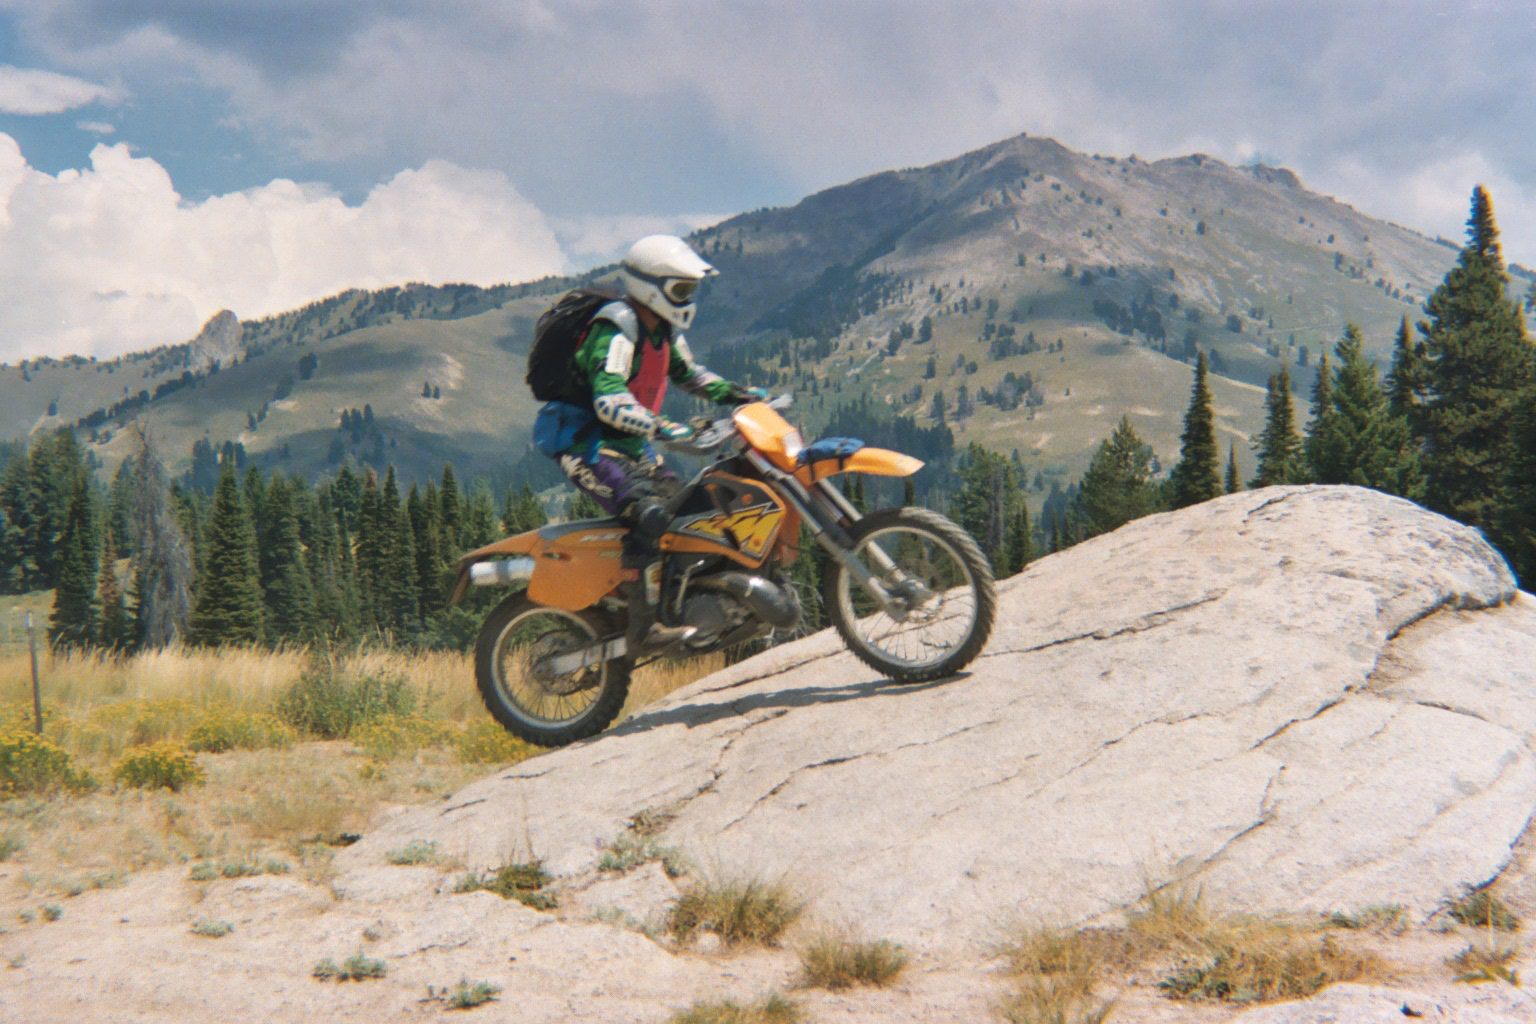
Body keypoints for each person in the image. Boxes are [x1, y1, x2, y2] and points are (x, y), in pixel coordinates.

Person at [536, 234, 764, 650]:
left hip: (630, 446)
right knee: (651, 515)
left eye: (690, 289)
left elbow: (691, 375)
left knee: (695, 510)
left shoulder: (663, 332)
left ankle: (685, 605)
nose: (688, 298)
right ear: (651, 288)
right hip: (585, 444)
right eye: (681, 289)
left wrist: (741, 395)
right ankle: (643, 629)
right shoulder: (616, 328)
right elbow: (608, 399)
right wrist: (663, 427)